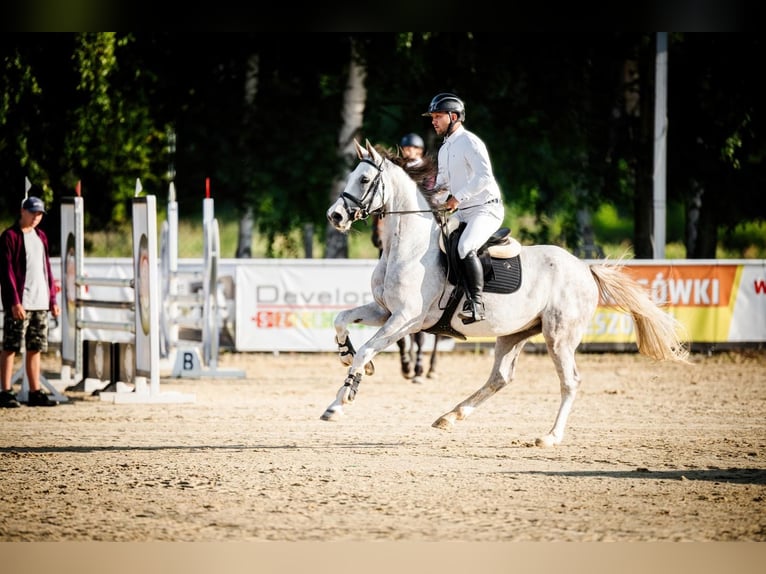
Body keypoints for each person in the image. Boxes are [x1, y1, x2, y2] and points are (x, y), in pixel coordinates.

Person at [423, 92, 504, 324]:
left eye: (438, 116)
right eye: (433, 117)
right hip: (463, 211)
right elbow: (442, 185)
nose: (433, 121)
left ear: (454, 116)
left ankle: (476, 303)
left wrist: (457, 198)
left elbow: (484, 178)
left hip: (485, 209)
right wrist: (426, 200)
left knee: (465, 246)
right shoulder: (445, 149)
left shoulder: (469, 141)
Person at [0, 196, 60, 407]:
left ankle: (35, 391)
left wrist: (52, 298)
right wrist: (14, 301)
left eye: (40, 213)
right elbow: (6, 272)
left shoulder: (41, 236)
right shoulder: (9, 237)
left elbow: (46, 270)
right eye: (33, 212)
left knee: (36, 347)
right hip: (21, 302)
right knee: (11, 346)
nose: (36, 217)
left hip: (40, 301)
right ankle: (5, 391)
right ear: (22, 211)